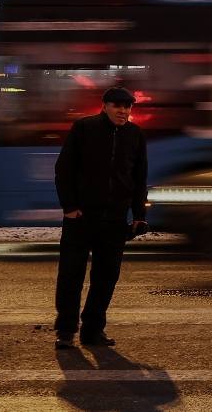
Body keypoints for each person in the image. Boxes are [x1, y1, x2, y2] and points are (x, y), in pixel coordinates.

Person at [53, 87, 149, 349]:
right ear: (104, 106)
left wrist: (139, 214)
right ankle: (65, 330)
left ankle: (92, 331)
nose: (124, 111)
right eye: (118, 106)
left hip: (115, 220)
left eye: (128, 107)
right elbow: (64, 169)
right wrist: (70, 207)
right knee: (71, 275)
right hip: (81, 218)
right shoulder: (84, 128)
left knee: (106, 278)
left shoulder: (135, 135)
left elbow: (139, 178)